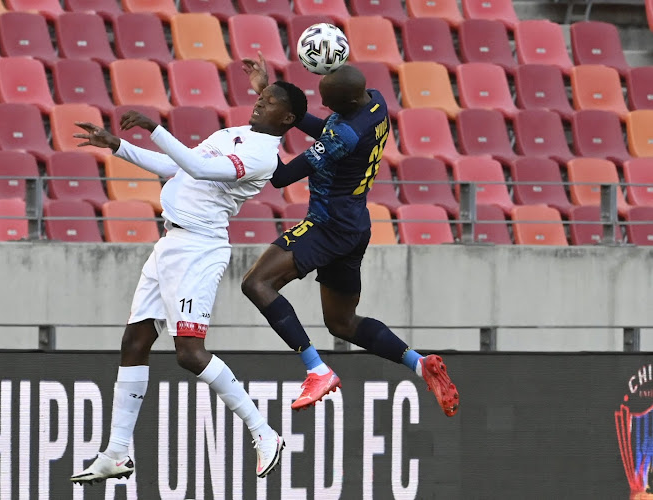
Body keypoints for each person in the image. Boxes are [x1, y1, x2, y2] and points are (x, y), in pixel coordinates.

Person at [69, 78, 309, 485]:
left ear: (286, 118)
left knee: (189, 353)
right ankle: (116, 454)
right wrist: (118, 146)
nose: (257, 103)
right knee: (135, 341)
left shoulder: (263, 158)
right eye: (260, 97)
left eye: (268, 102)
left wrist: (153, 126)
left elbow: (197, 167)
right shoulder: (233, 133)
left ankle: (263, 432)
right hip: (170, 243)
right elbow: (178, 167)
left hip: (200, 249)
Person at [240, 58, 460, 416]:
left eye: (327, 102)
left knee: (257, 285)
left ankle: (317, 370)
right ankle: (421, 364)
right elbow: (321, 125)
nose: (323, 107)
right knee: (342, 323)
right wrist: (269, 94)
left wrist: (265, 128)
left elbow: (280, 177)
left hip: (328, 225)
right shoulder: (375, 103)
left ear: (342, 104)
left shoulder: (342, 137)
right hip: (355, 224)